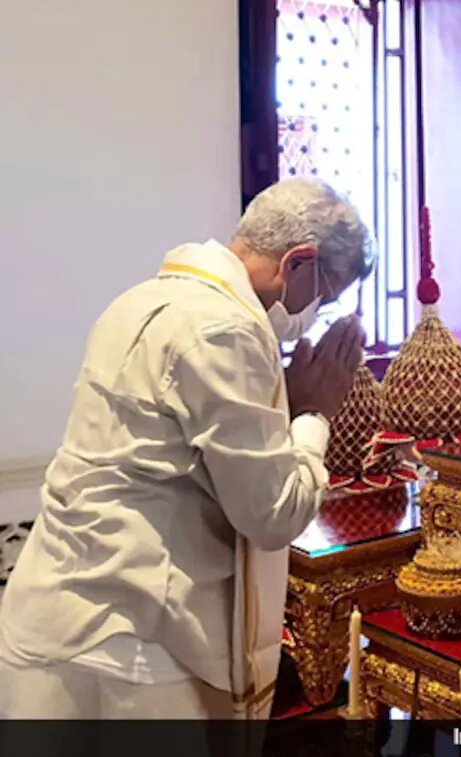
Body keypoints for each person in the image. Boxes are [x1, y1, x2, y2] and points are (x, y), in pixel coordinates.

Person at [0, 179, 371, 719]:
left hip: (46, 616)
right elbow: (273, 514)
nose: (312, 316)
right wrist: (315, 413)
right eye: (324, 296)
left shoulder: (141, 300)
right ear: (299, 263)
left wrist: (282, 408)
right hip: (134, 647)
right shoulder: (226, 329)